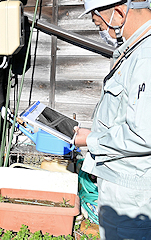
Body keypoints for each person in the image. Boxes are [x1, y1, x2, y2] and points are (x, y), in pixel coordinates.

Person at [75, 0, 151, 239]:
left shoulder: (146, 58)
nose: (102, 33)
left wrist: (91, 140)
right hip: (127, 189)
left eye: (99, 25)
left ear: (118, 14)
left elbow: (145, 134)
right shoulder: (137, 51)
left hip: (131, 198)